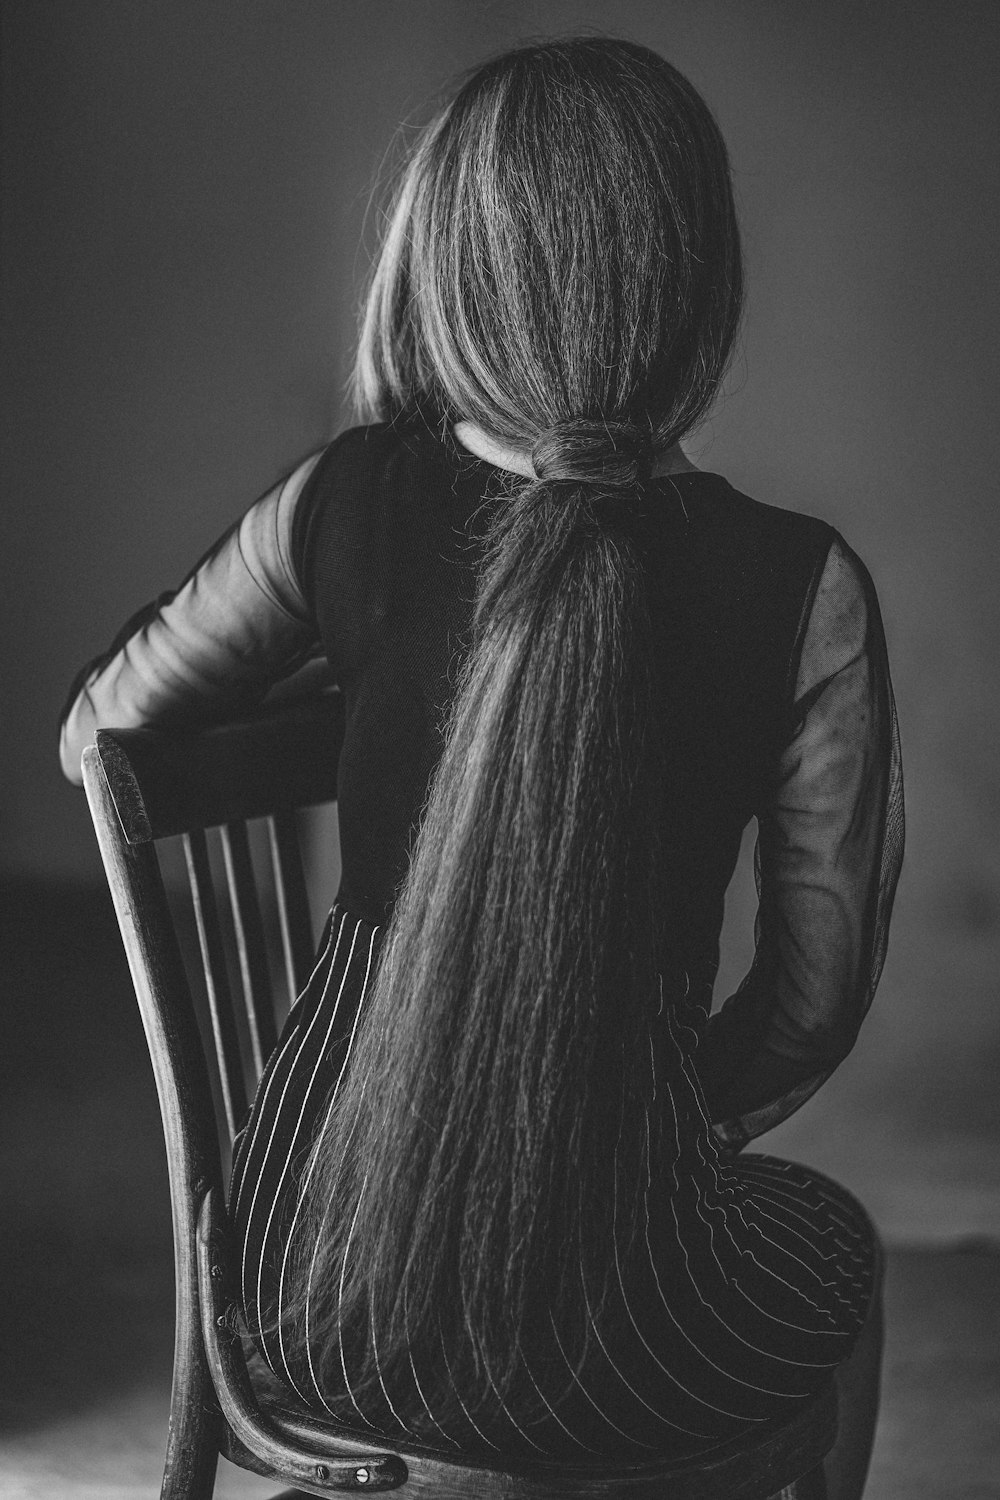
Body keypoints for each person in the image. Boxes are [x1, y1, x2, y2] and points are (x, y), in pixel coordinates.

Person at [59, 37, 903, 1499]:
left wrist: (359, 684)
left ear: (452, 263)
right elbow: (811, 1009)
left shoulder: (342, 506)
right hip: (624, 1337)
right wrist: (650, 1124)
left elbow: (99, 734)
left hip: (301, 1287)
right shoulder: (803, 586)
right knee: (837, 1252)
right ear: (695, 278)